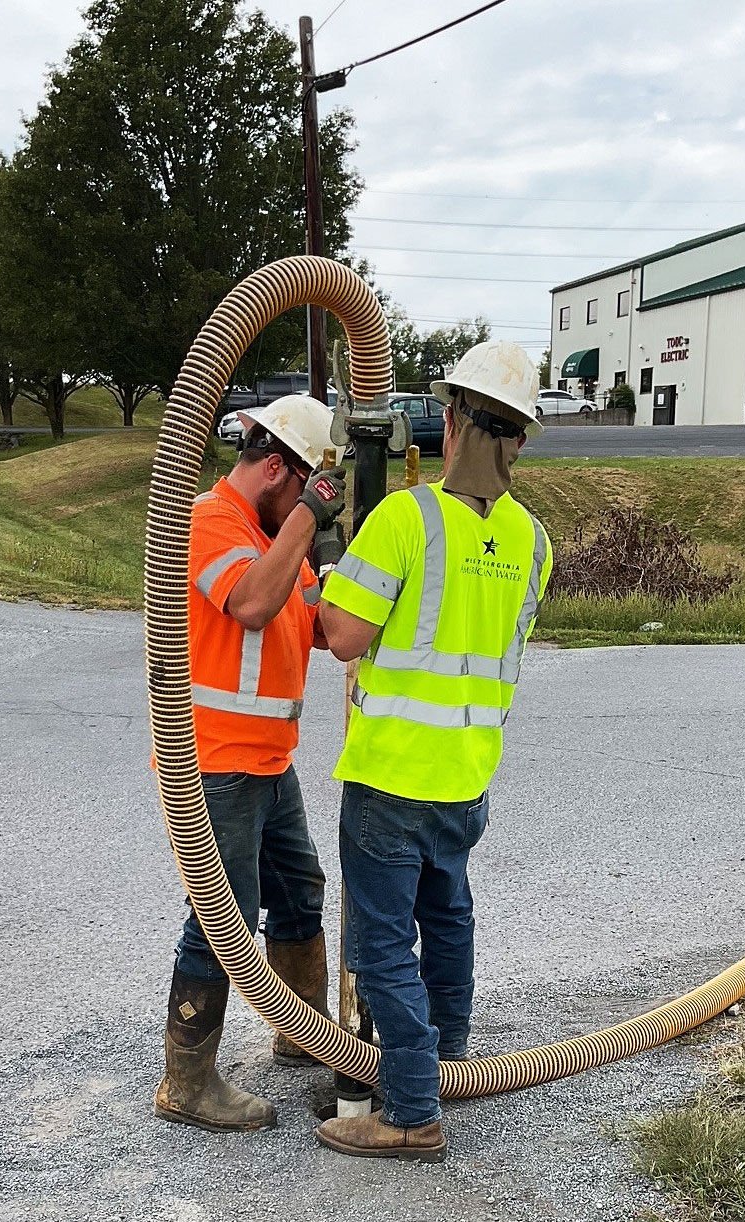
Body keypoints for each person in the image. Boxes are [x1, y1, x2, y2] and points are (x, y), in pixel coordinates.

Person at [313, 341, 552, 1162]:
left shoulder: (405, 518)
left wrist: (329, 578)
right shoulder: (534, 543)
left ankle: (411, 1109)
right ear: (518, 437)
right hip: (466, 778)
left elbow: (344, 635)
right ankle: (445, 1060)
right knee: (447, 919)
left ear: (449, 421)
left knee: (382, 944)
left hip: (389, 777)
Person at [154, 393, 348, 1133]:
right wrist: (306, 520)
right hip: (216, 764)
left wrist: (348, 568)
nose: (307, 506)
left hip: (268, 761)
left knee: (299, 894)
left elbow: (322, 630)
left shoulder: (277, 533)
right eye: (303, 487)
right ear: (276, 468)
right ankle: (186, 1082)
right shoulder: (209, 522)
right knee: (220, 919)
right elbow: (252, 606)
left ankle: (304, 1034)